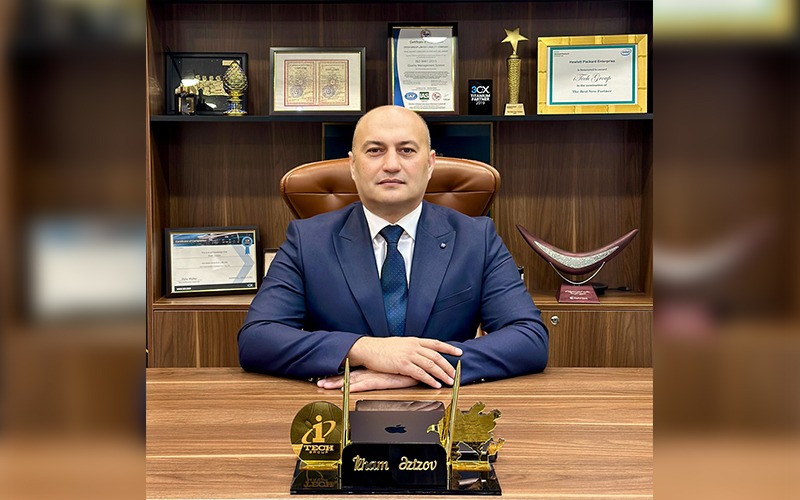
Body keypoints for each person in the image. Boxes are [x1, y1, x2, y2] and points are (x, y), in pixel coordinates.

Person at [238, 105, 548, 392]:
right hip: (339, 406)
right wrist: (364, 350)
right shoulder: (307, 240)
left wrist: (417, 370)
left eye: (406, 150)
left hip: (444, 407)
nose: (391, 165)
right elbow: (257, 338)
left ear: (430, 164)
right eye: (375, 151)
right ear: (353, 165)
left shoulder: (476, 238)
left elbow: (529, 338)